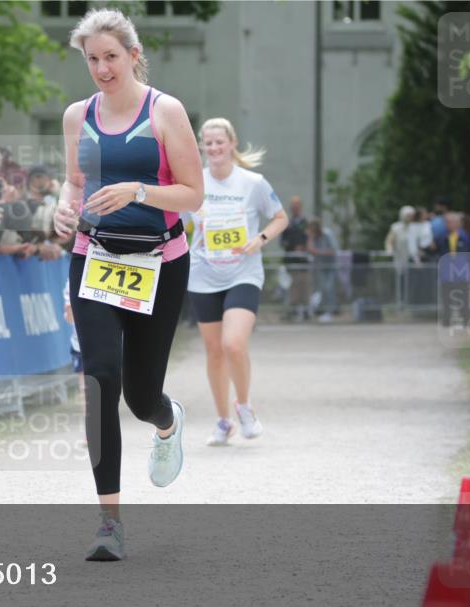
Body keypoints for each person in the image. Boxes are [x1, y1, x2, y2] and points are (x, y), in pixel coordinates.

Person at [52, 8, 203, 560]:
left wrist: (138, 191)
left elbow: (192, 194)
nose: (102, 68)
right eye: (92, 59)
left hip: (160, 262)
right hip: (93, 257)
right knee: (99, 381)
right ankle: (108, 522)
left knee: (139, 396)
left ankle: (167, 420)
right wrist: (63, 212)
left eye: (111, 56)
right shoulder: (76, 116)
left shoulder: (165, 110)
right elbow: (73, 184)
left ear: (134, 55)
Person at [187, 118, 287, 446]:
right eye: (208, 143)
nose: (214, 148)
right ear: (201, 146)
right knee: (214, 351)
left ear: (232, 144)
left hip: (243, 272)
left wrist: (259, 238)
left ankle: (244, 407)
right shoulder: (194, 184)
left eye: (220, 142)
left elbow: (280, 217)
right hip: (203, 273)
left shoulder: (252, 182)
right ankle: (222, 422)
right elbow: (174, 220)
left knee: (233, 344)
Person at [280, 195, 311, 321]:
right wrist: (292, 246)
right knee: (291, 286)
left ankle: (305, 310)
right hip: (291, 261)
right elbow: (283, 241)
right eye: (293, 206)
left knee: (304, 285)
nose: (295, 208)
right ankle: (292, 310)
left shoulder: (306, 223)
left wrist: (303, 247)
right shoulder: (287, 223)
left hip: (303, 261)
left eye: (297, 205)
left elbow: (310, 239)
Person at [306, 218, 338, 321]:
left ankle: (330, 311)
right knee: (322, 289)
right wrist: (310, 237)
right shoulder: (314, 237)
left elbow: (333, 250)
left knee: (329, 287)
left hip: (330, 266)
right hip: (320, 267)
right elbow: (310, 250)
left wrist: (319, 252)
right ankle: (323, 310)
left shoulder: (327, 234)